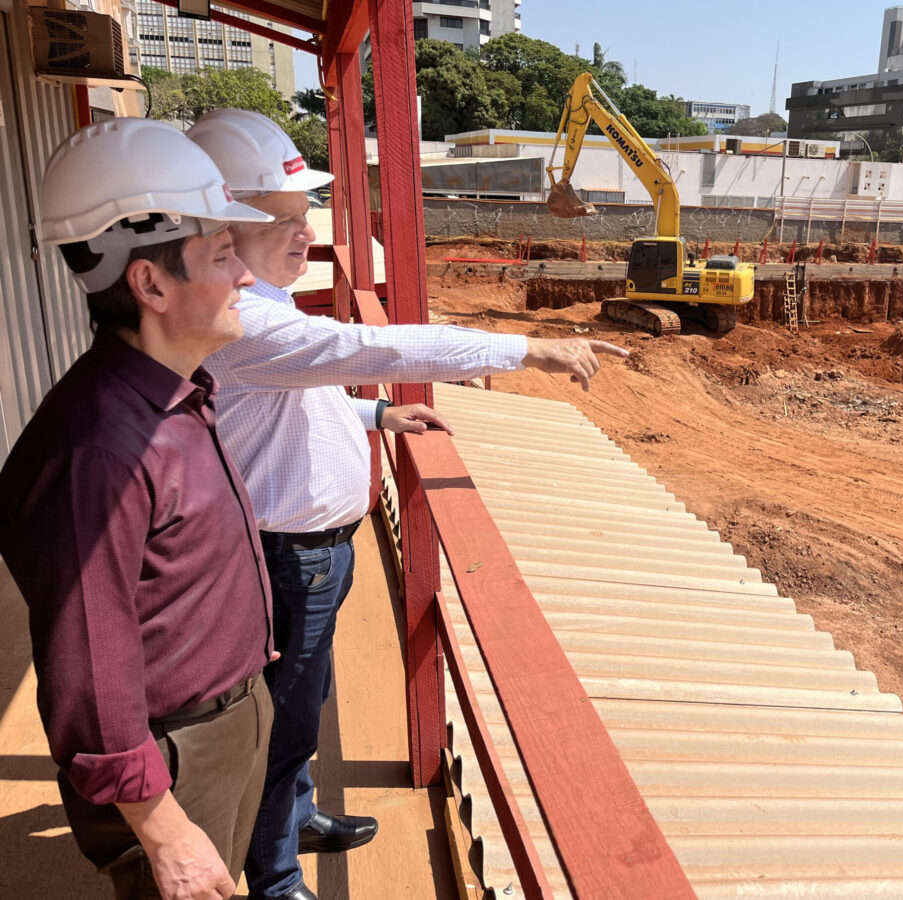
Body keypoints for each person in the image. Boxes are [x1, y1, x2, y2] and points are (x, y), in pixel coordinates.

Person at [187, 108, 628, 900]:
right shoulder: (242, 318)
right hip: (290, 556)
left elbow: (298, 396)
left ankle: (297, 816)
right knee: (283, 725)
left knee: (307, 701)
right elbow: (370, 349)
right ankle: (275, 876)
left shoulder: (263, 302)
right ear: (219, 228)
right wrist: (526, 348)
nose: (303, 235)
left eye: (303, 217)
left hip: (317, 548)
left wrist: (377, 415)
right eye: (281, 221)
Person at [0, 118, 279, 899]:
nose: (246, 278)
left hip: (223, 725)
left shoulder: (174, 394)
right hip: (175, 759)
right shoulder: (98, 450)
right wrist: (162, 829)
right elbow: (90, 671)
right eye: (224, 257)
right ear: (150, 285)